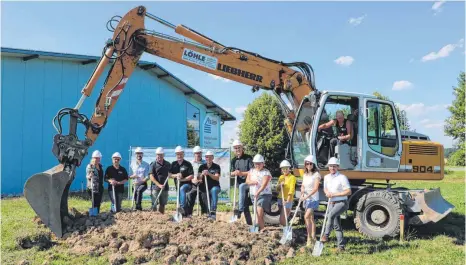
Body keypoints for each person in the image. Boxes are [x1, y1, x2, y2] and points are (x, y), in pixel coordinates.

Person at [321, 157, 351, 252]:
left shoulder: (342, 177)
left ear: (337, 167)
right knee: (337, 226)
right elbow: (325, 189)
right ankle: (341, 247)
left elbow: (348, 191)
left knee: (330, 215)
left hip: (342, 203)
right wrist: (327, 193)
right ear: (328, 167)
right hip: (331, 203)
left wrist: (334, 194)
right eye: (330, 166)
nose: (332, 168)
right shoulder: (326, 177)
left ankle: (325, 235)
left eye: (334, 166)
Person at [245, 154, 272, 231]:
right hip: (253, 195)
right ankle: (261, 229)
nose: (257, 165)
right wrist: (252, 182)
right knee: (257, 213)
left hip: (264, 194)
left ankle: (259, 227)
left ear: (263, 163)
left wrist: (258, 192)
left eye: (259, 163)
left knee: (259, 211)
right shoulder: (251, 171)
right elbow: (247, 181)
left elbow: (264, 184)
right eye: (256, 163)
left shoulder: (266, 172)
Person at [231, 140, 254, 225]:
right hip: (239, 184)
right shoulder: (233, 160)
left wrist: (241, 173)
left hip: (249, 183)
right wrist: (234, 173)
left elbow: (252, 171)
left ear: (242, 148)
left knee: (243, 202)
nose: (237, 149)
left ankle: (239, 211)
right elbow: (231, 172)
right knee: (245, 205)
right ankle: (250, 224)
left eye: (239, 147)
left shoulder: (248, 158)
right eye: (235, 148)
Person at [299, 155, 321, 248]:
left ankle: (309, 238)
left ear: (313, 164)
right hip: (306, 198)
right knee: (311, 218)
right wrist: (302, 190)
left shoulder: (316, 175)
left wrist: (306, 196)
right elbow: (303, 185)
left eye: (310, 163)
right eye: (307, 163)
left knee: (306, 216)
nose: (308, 165)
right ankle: (313, 236)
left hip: (313, 199)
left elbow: (315, 188)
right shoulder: (305, 174)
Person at [170, 146, 194, 217]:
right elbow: (169, 174)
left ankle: (182, 208)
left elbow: (191, 176)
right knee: (180, 197)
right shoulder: (173, 164)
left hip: (187, 185)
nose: (179, 156)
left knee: (182, 189)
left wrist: (182, 179)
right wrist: (176, 175)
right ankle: (185, 214)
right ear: (176, 155)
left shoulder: (187, 164)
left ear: (183, 154)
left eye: (181, 154)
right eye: (178, 154)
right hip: (177, 185)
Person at [198, 150, 221, 219]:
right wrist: (202, 174)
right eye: (207, 157)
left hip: (215, 187)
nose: (208, 159)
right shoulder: (202, 167)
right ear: (205, 158)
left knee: (214, 190)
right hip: (204, 188)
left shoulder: (216, 166)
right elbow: (199, 178)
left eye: (210, 157)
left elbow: (217, 178)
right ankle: (207, 215)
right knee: (205, 203)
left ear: (213, 158)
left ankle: (213, 211)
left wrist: (209, 173)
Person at [149, 147, 171, 214]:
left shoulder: (168, 164)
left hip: (165, 187)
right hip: (155, 187)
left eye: (161, 155)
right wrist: (159, 185)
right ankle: (154, 218)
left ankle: (161, 217)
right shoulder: (153, 164)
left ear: (163, 155)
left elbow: (171, 174)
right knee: (154, 204)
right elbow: (151, 177)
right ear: (156, 155)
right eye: (158, 155)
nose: (159, 156)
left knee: (162, 204)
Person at [186, 146, 206, 217]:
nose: (198, 154)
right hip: (192, 184)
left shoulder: (205, 163)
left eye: (199, 153)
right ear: (194, 154)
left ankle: (204, 216)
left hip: (202, 185)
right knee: (189, 197)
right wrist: (192, 180)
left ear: (201, 153)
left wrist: (201, 179)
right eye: (196, 153)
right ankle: (188, 215)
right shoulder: (190, 163)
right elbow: (188, 174)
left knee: (204, 201)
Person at [277, 160, 296, 227]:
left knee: (282, 220)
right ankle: (285, 231)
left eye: (286, 168)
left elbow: (291, 190)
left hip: (287, 200)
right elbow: (278, 189)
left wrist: (287, 201)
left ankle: (287, 231)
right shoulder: (281, 177)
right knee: (283, 218)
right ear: (281, 169)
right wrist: (280, 185)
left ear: (289, 168)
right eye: (283, 168)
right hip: (280, 199)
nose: (285, 170)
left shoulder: (292, 177)